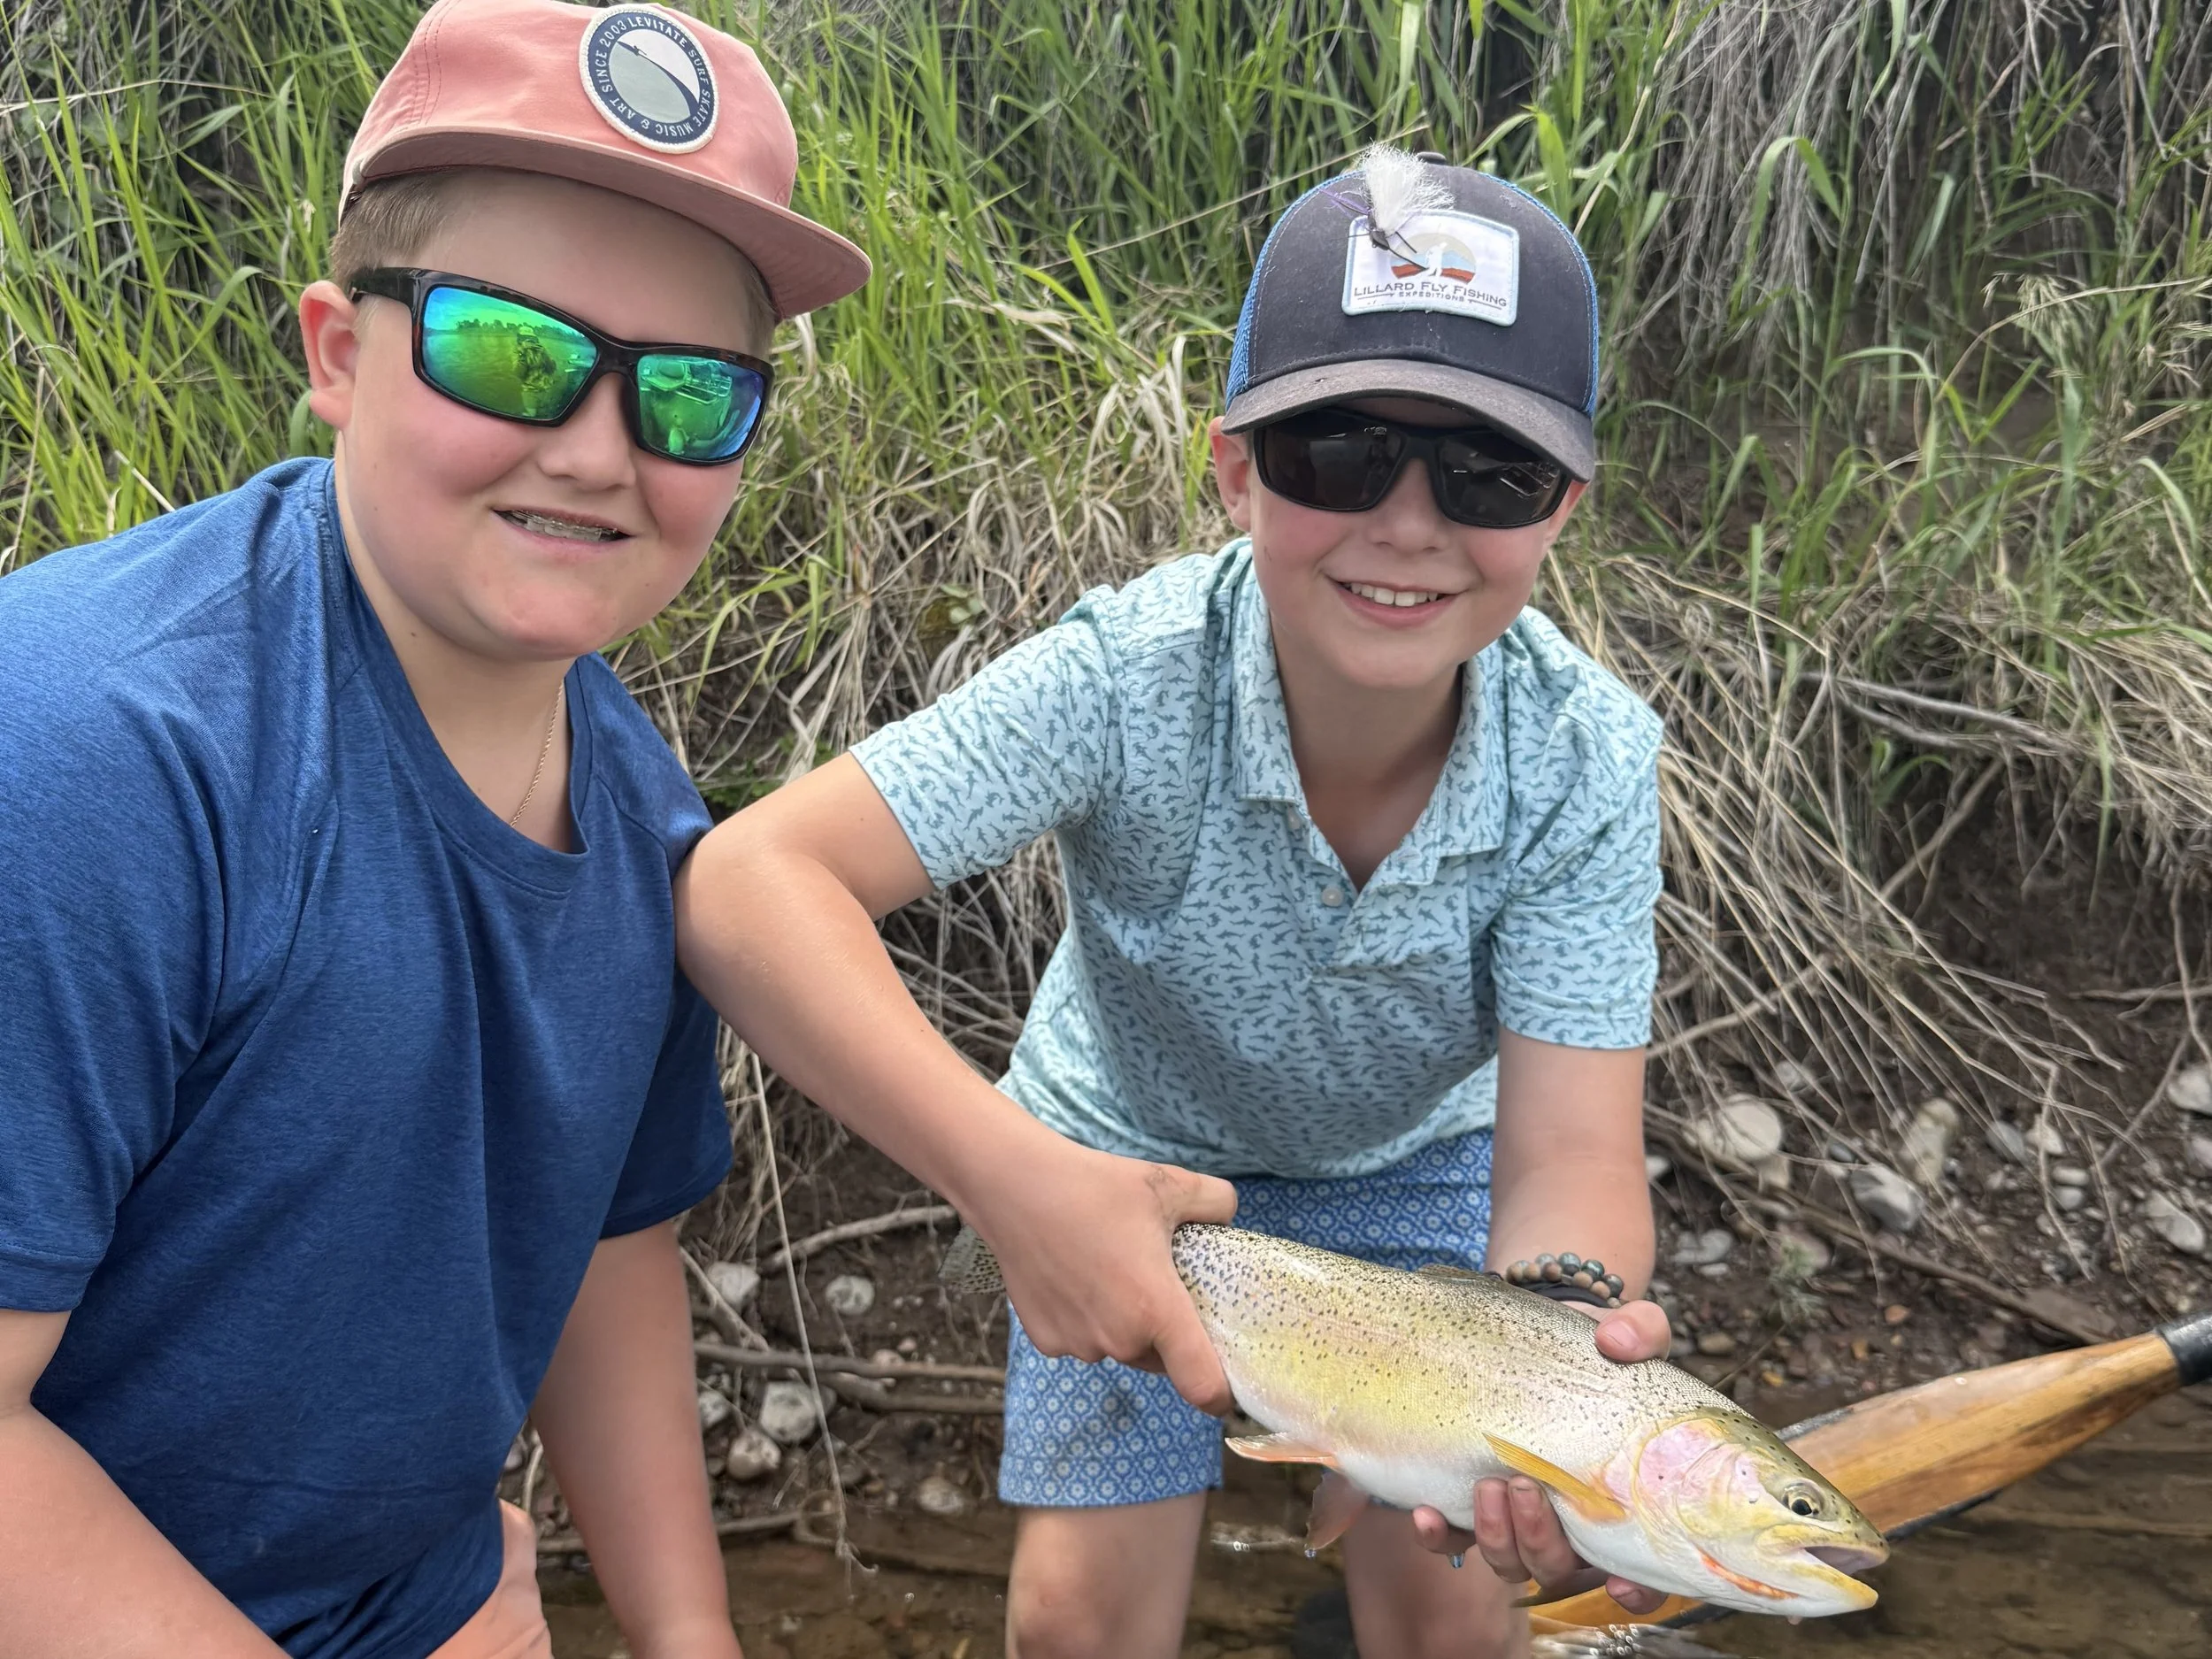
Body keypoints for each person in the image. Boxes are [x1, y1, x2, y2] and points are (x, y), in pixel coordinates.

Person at [677, 149, 1673, 1658]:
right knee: (1077, 1628)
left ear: (1564, 508)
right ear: (1231, 469)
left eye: (1489, 475)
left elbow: (1576, 1158)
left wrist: (1559, 1355)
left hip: (1416, 1181)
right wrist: (1019, 1187)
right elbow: (751, 882)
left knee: (1458, 1618)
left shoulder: (1587, 758)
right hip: (1115, 1158)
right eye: (1336, 454)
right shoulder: (1124, 679)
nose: (1406, 524)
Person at [0, 2, 867, 1654]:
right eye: (510, 348)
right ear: (338, 351)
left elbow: (610, 1244)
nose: (599, 446)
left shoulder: (642, 819)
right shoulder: (93, 750)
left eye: (691, 395)